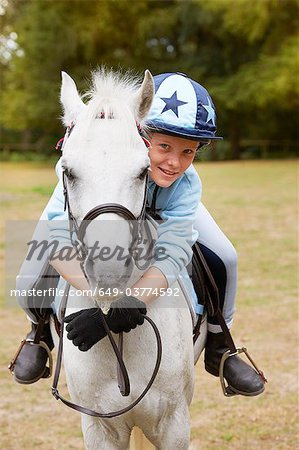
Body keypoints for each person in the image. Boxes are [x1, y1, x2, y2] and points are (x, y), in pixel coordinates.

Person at [12, 72, 265, 396]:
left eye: (189, 152)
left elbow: (174, 251)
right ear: (140, 134)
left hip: (165, 208)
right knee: (27, 277)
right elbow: (60, 241)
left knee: (226, 256)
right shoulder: (97, 162)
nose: (174, 163)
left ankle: (220, 342)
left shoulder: (184, 184)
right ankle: (39, 332)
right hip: (92, 202)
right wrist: (100, 299)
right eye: (163, 147)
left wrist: (130, 304)